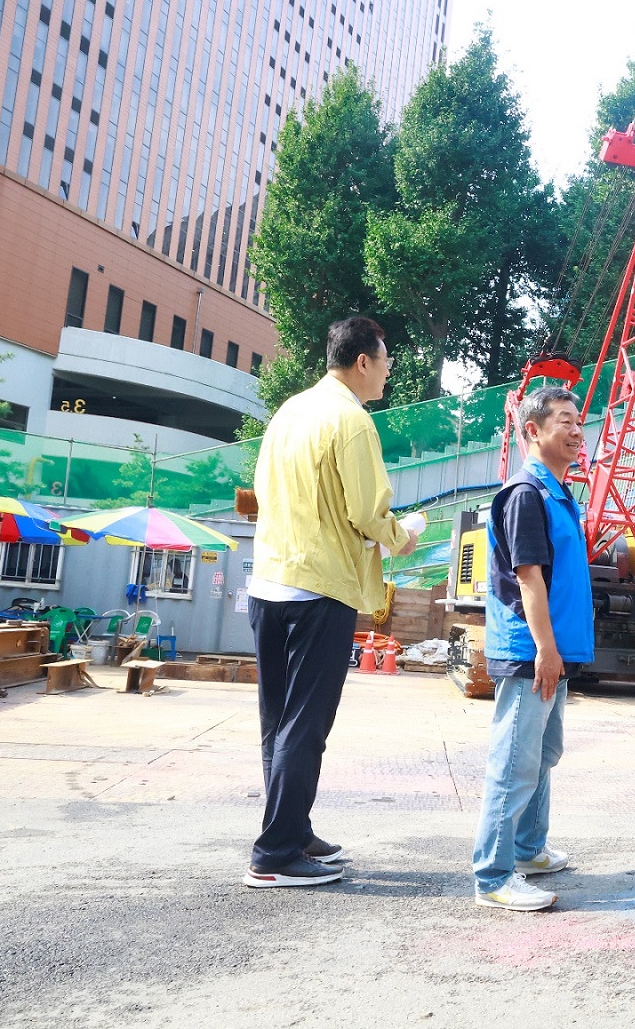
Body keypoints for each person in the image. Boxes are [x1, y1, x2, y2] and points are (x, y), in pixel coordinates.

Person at [244, 316, 418, 889]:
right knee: (305, 724)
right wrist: (402, 535)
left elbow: (266, 491)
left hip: (269, 582)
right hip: (320, 587)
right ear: (363, 362)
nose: (390, 370)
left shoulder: (288, 412)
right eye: (386, 358)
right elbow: (369, 512)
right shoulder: (352, 421)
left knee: (280, 721)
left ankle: (291, 831)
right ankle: (274, 854)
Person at [472, 386, 595, 911]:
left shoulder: (558, 493)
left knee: (543, 754)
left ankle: (529, 849)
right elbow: (530, 581)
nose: (575, 430)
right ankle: (493, 877)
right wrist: (545, 650)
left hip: (552, 649)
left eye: (577, 421)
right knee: (514, 763)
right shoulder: (527, 494)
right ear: (532, 432)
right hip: (531, 650)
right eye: (563, 421)